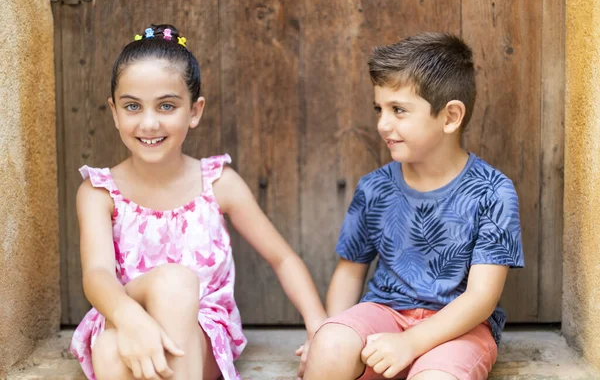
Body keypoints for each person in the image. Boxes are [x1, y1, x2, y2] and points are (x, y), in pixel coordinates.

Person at [70, 24, 326, 380]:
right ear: (114, 112)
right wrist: (132, 320)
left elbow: (282, 258)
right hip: (123, 317)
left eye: (166, 106)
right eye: (132, 106)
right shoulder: (99, 192)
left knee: (174, 284)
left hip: (201, 330)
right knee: (112, 347)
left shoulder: (218, 184)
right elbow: (97, 275)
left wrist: (319, 329)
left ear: (194, 111)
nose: (148, 122)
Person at [297, 32, 524, 380]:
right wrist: (325, 332)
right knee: (329, 348)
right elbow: (349, 272)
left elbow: (481, 297)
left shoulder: (493, 192)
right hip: (383, 313)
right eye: (380, 109)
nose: (382, 124)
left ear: (450, 117)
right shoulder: (375, 187)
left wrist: (411, 343)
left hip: (459, 329)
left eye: (399, 110)